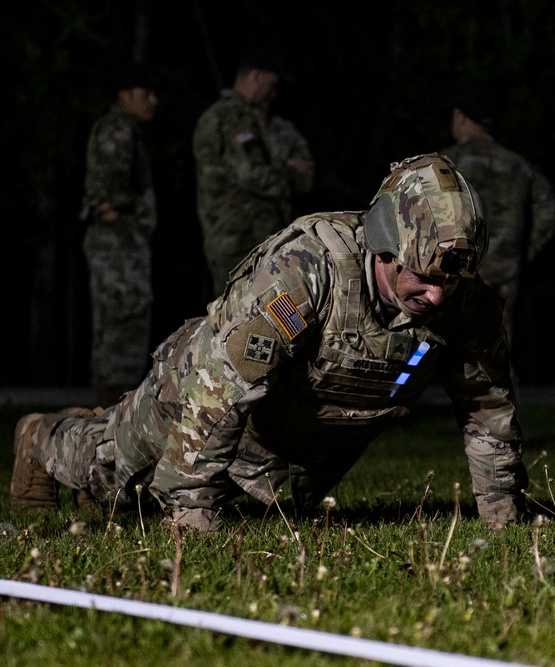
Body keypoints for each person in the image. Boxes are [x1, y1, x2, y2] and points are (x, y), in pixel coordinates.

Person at [11, 153, 527, 532]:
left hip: (275, 440)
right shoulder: (305, 273)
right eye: (421, 277)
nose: (437, 295)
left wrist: (502, 512)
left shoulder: (464, 303)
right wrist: (192, 511)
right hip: (195, 391)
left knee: (150, 504)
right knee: (107, 472)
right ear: (385, 247)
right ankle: (41, 437)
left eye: (451, 281)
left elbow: (488, 407)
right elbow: (223, 386)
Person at [440, 90, 555, 347]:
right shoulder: (518, 164)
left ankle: (402, 384)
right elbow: (547, 209)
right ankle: (495, 384)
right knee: (496, 337)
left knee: (438, 334)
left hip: (457, 265)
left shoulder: (447, 163)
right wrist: (524, 250)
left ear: (460, 118)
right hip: (505, 263)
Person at [193, 46, 314, 297]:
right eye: (272, 83)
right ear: (257, 76)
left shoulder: (276, 126)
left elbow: (307, 176)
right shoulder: (227, 117)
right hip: (236, 240)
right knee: (237, 316)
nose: (275, 92)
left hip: (267, 239)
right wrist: (287, 170)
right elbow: (250, 175)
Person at [80, 64, 160, 408]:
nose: (154, 101)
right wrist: (111, 206)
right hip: (116, 241)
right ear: (125, 95)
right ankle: (109, 414)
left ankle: (114, 413)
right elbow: (107, 190)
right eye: (147, 93)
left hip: (120, 239)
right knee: (121, 321)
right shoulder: (118, 130)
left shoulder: (125, 130)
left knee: (124, 320)